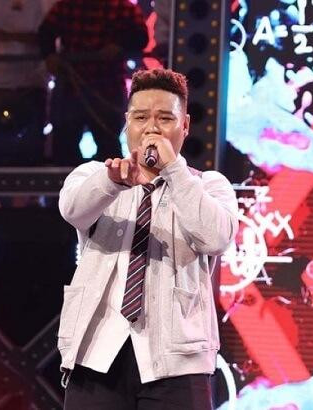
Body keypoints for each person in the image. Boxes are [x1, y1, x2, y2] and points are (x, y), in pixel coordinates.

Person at [57, 68, 238, 410]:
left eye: (165, 118)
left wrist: (174, 172)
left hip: (178, 362)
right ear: (127, 123)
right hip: (96, 353)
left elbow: (216, 238)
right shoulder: (97, 176)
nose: (151, 128)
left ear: (185, 125)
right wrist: (112, 183)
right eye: (140, 117)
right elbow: (72, 210)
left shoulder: (209, 185)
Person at [39, 0, 149, 165]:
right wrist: (50, 55)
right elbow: (45, 32)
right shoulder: (69, 5)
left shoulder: (119, 6)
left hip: (104, 86)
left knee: (107, 145)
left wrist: (119, 46)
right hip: (75, 85)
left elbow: (140, 36)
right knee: (67, 146)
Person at [0, 0, 58, 165]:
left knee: (30, 142)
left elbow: (46, 37)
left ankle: (29, 177)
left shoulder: (45, 3)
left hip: (32, 77)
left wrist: (7, 36)